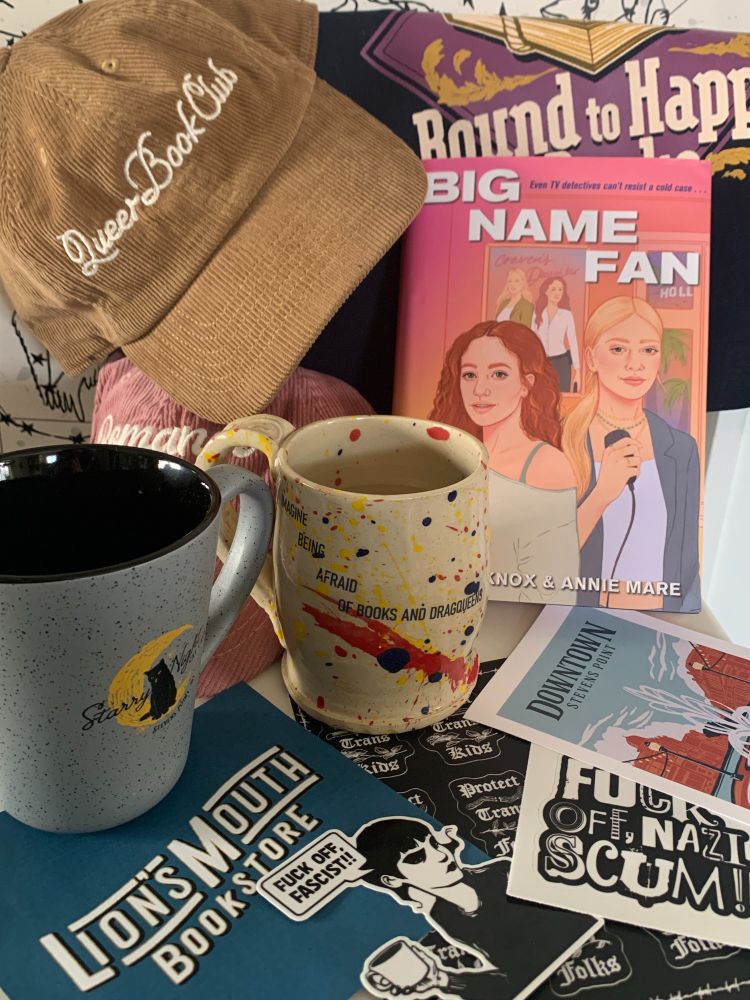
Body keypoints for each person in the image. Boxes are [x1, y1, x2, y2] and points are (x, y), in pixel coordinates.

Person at [561, 295, 700, 611]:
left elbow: (686, 560)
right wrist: (601, 495)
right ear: (591, 358)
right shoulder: (559, 438)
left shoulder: (681, 448)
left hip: (656, 625)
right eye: (618, 349)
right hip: (568, 619)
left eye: (648, 350)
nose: (635, 363)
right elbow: (537, 557)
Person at [430, 321, 579, 603]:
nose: (480, 390)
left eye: (498, 374)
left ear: (526, 384)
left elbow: (555, 588)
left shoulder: (547, 464)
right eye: (470, 375)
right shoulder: (446, 455)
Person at [355, 817, 584, 1000]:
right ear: (392, 881)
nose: (441, 855)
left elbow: (573, 934)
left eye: (434, 843)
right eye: (418, 858)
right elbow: (518, 979)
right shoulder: (447, 918)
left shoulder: (504, 874)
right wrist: (440, 980)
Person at [532, 275, 580, 392]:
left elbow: (573, 341)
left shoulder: (566, 315)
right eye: (553, 289)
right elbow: (532, 339)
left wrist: (577, 370)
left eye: (560, 289)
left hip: (561, 362)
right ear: (546, 291)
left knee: (561, 398)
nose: (557, 293)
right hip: (542, 362)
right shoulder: (537, 313)